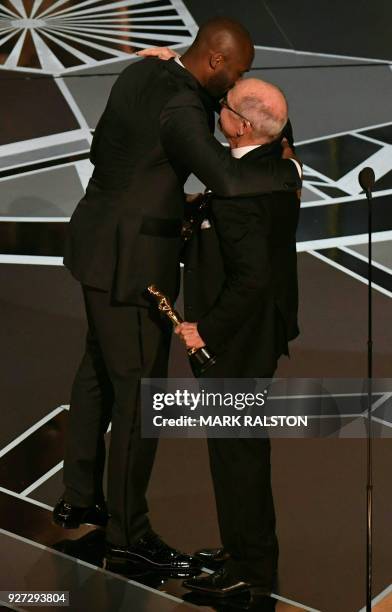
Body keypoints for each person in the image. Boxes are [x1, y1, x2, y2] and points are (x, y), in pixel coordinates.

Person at [53, 17, 302, 575]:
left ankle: (80, 494)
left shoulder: (142, 73)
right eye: (236, 73)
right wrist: (290, 176)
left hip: (96, 238)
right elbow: (227, 178)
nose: (235, 86)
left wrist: (162, 198)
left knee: (96, 369)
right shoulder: (184, 108)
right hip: (133, 262)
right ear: (215, 63)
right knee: (137, 394)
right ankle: (126, 533)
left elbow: (105, 152)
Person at [176, 79, 300, 597]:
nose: (217, 109)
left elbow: (250, 278)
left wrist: (204, 328)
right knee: (239, 449)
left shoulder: (238, 191)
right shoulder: (282, 165)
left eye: (223, 107)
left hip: (237, 335)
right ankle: (243, 549)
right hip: (264, 328)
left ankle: (250, 569)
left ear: (244, 126)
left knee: (236, 454)